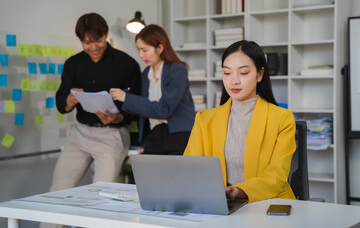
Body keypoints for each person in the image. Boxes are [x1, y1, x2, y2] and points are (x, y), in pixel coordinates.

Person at [183, 40, 296, 203]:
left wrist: (240, 191)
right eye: (227, 73)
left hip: (267, 202)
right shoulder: (204, 119)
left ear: (260, 74)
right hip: (217, 203)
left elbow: (276, 177)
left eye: (243, 73)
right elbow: (189, 169)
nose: (233, 81)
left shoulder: (281, 118)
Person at [51, 13, 141, 192]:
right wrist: (70, 99)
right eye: (87, 43)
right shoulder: (73, 64)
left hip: (112, 135)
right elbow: (62, 105)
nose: (93, 47)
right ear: (80, 41)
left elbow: (136, 106)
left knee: (103, 195)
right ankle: (50, 222)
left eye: (97, 40)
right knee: (57, 192)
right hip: (80, 133)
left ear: (106, 33)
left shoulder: (127, 64)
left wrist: (117, 118)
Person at [110, 24, 195, 155]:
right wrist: (146, 143)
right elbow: (144, 110)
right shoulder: (145, 75)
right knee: (150, 174)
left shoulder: (177, 70)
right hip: (155, 134)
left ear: (160, 48)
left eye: (145, 50)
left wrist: (126, 97)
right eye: (138, 50)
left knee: (176, 175)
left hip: (179, 135)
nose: (141, 55)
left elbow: (163, 109)